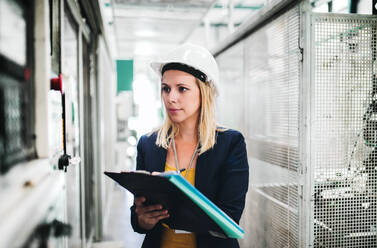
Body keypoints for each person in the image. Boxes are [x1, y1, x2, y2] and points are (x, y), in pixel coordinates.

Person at [130, 43, 249, 248]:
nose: (171, 98)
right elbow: (137, 216)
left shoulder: (230, 143)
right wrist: (143, 220)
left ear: (204, 93)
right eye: (166, 89)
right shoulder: (148, 144)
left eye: (182, 89)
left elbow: (230, 218)